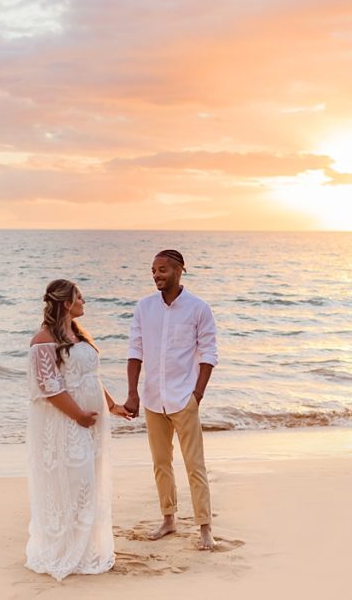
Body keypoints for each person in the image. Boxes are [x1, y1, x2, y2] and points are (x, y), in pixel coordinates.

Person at [25, 279, 131, 581]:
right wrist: (78, 416)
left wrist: (112, 406)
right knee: (73, 481)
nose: (84, 301)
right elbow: (49, 387)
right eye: (79, 297)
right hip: (65, 424)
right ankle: (64, 548)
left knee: (90, 481)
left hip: (90, 423)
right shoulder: (42, 340)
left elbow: (91, 377)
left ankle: (87, 547)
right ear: (66, 302)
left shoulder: (79, 334)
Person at [123, 249, 218, 551]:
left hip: (183, 398)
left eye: (162, 269)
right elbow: (135, 351)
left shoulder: (198, 308)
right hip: (153, 399)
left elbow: (209, 353)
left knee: (195, 465)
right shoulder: (144, 307)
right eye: (153, 270)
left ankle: (205, 527)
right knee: (161, 463)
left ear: (179, 270)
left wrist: (197, 395)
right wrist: (133, 393)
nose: (156, 275)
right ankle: (169, 519)